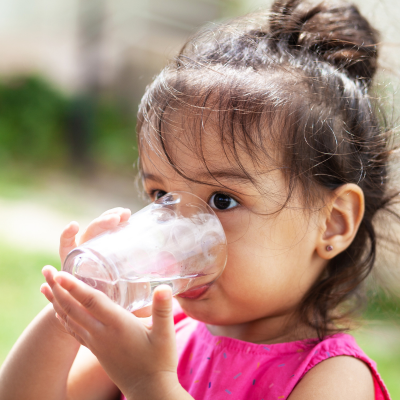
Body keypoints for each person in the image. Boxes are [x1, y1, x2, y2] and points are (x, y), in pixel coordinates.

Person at [0, 0, 396, 398]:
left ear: (334, 222)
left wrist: (149, 384)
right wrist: (68, 314)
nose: (177, 236)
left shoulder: (334, 376)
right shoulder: (163, 331)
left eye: (222, 200)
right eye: (161, 195)